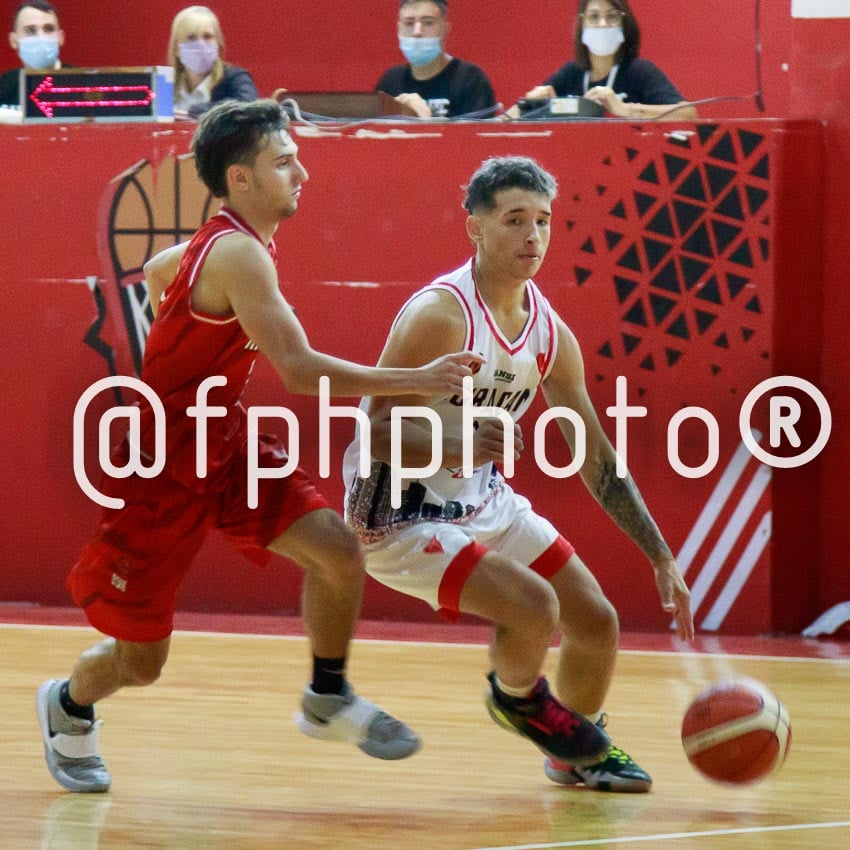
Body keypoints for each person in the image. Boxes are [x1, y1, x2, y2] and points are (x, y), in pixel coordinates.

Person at [36, 98, 482, 793]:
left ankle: (327, 694)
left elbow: (159, 271)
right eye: (283, 161)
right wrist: (417, 377)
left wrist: (180, 335)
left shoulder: (231, 244)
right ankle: (67, 705)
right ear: (240, 179)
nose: (301, 171)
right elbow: (301, 372)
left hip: (226, 441)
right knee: (142, 661)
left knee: (336, 548)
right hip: (164, 467)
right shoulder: (239, 252)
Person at [343, 155, 694, 792]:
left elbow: (597, 457)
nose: (532, 236)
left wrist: (659, 554)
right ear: (474, 226)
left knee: (596, 621)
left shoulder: (548, 332)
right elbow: (374, 432)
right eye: (513, 220)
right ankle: (518, 700)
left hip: (481, 500)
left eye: (543, 221)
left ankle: (571, 751)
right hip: (397, 510)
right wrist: (461, 440)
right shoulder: (441, 314)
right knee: (534, 607)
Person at [514, 0, 697, 120]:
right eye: (594, 17)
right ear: (582, 25)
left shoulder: (640, 71)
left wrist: (624, 109)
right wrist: (528, 105)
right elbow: (502, 121)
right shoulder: (571, 73)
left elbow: (688, 114)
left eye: (611, 16)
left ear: (624, 24)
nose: (602, 24)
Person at [376, 0, 496, 119]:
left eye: (428, 23)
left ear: (445, 28)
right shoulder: (390, 81)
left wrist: (428, 121)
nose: (417, 32)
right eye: (409, 23)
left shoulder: (470, 79)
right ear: (399, 29)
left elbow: (478, 136)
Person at [168, 5, 258, 120]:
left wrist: (202, 110)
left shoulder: (235, 77)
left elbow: (250, 105)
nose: (200, 44)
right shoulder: (166, 85)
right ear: (176, 48)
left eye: (207, 36)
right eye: (191, 38)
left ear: (218, 43)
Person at [0, 1, 67, 106]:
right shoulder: (5, 86)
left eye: (48, 29)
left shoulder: (80, 83)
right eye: (30, 31)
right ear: (13, 40)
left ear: (61, 37)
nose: (41, 37)